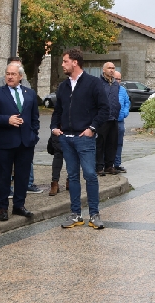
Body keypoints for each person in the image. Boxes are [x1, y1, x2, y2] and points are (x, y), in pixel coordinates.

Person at [51, 48, 109, 229]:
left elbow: (104, 109)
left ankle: (94, 214)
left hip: (84, 138)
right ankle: (76, 214)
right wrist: (54, 127)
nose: (63, 64)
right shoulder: (63, 86)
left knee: (90, 175)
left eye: (65, 61)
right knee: (72, 176)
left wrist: (92, 128)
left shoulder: (93, 83)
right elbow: (58, 110)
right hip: (66, 139)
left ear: (75, 62)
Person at [0, 64, 40, 221]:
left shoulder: (30, 93)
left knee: (23, 176)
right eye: (7, 74)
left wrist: (33, 135)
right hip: (5, 142)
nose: (9, 77)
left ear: (20, 76)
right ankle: (2, 208)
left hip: (26, 143)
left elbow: (34, 118)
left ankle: (19, 205)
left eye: (13, 74)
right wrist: (7, 119)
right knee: (3, 176)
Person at [95, 62, 121, 176]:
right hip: (102, 118)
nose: (112, 70)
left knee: (112, 143)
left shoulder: (116, 84)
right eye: (109, 68)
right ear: (103, 70)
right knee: (100, 143)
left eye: (113, 68)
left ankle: (109, 166)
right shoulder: (98, 83)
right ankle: (99, 167)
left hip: (114, 118)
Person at [113, 71, 130, 173]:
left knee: (119, 143)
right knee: (109, 143)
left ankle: (117, 164)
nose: (118, 81)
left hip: (120, 121)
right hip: (110, 121)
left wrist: (125, 112)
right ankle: (107, 164)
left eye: (119, 79)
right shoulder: (108, 88)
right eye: (116, 78)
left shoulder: (123, 90)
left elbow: (127, 102)